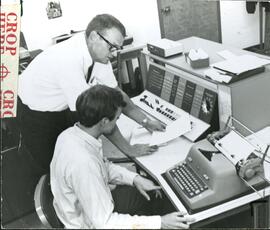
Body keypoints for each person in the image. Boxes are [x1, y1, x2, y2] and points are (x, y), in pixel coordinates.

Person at [18, 14, 165, 176]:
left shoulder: (97, 53)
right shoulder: (69, 61)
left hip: (61, 105)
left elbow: (117, 94)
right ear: (94, 36)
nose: (114, 54)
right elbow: (99, 117)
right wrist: (129, 149)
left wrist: (145, 121)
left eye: (117, 48)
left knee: (75, 156)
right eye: (112, 47)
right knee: (54, 168)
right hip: (35, 114)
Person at [50, 85, 195, 229]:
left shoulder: (70, 135)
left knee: (152, 196)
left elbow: (102, 167)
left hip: (86, 206)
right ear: (105, 121)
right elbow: (104, 222)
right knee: (161, 207)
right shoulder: (83, 163)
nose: (117, 122)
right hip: (88, 223)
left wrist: (135, 179)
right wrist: (160, 222)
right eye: (117, 118)